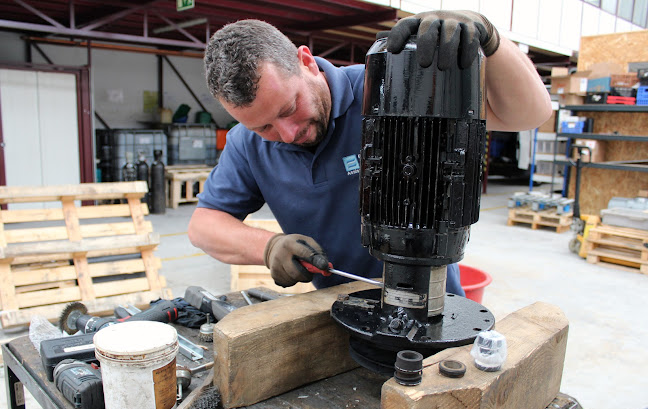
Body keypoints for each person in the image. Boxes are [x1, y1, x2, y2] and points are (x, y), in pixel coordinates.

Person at [188, 11, 552, 293]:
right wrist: (269, 247)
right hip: (337, 314)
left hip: (435, 307)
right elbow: (204, 225)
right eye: (263, 127)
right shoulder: (247, 144)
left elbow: (531, 115)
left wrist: (490, 40)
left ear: (307, 62)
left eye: (288, 108)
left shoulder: (391, 88)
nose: (287, 133)